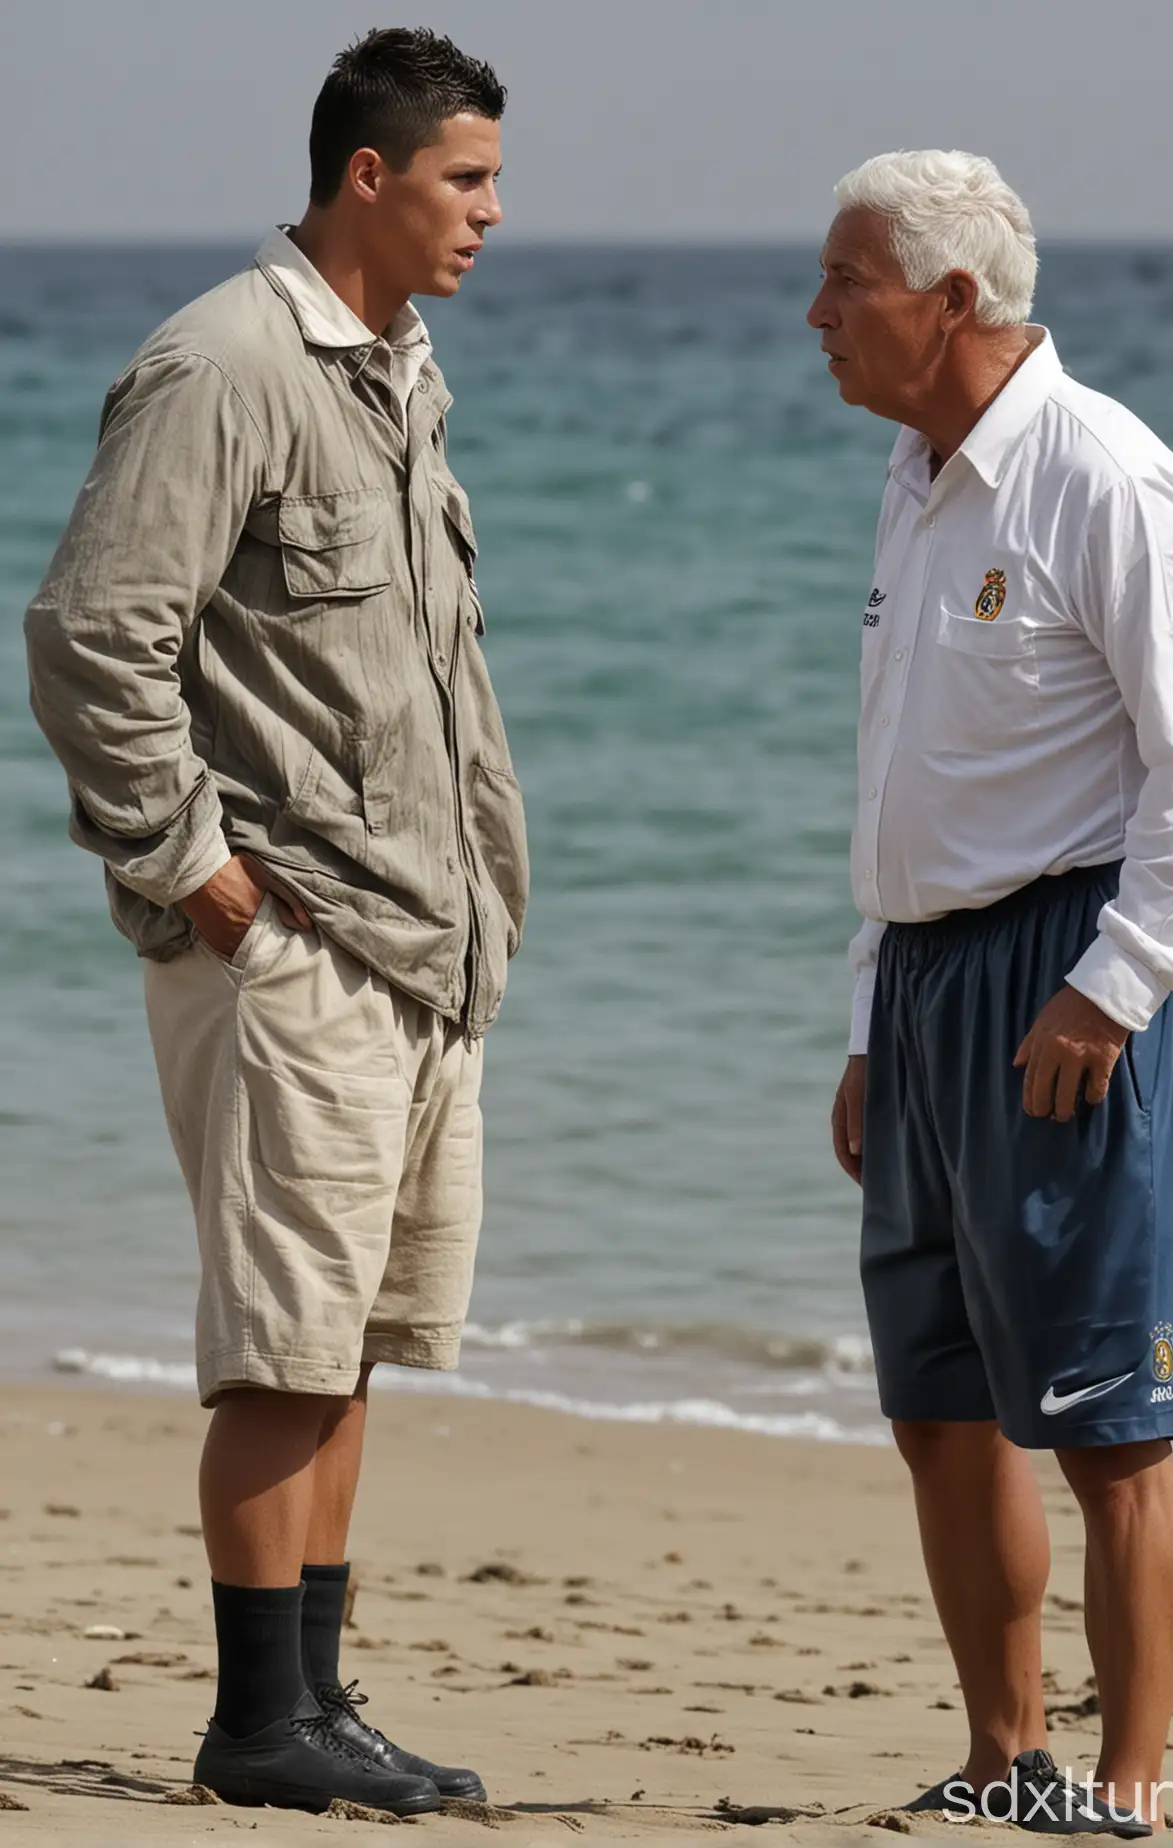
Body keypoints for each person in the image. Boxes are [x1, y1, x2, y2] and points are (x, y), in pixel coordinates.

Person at [25, 28, 528, 1819]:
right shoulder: (225, 362)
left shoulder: (399, 368)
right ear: (370, 179)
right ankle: (256, 1724)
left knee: (352, 1342)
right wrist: (196, 873)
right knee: (281, 1347)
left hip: (413, 945)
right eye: (466, 178)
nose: (490, 212)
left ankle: (315, 1701)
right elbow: (94, 635)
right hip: (290, 942)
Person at [810, 151, 1173, 1836]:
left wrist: (1117, 987)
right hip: (927, 984)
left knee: (1109, 1426)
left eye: (844, 283)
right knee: (936, 1405)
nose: (816, 316)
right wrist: (873, 1020)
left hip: (1068, 975)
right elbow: (898, 776)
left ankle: (1132, 1793)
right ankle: (1009, 1762)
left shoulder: (1106, 477)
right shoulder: (916, 476)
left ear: (949, 302)